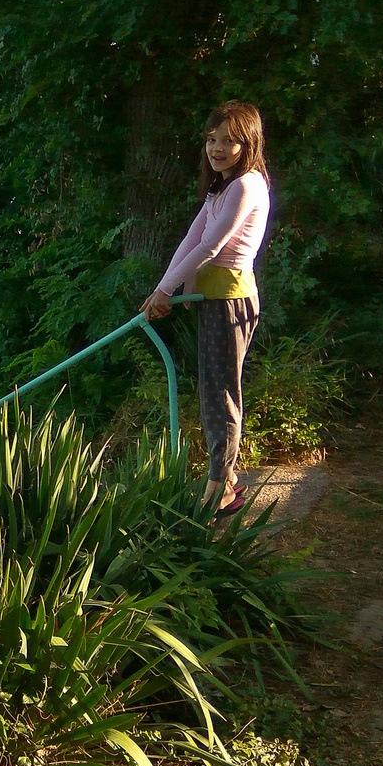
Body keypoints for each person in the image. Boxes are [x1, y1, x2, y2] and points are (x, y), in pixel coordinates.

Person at [140, 101, 271, 515]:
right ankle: (228, 477)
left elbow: (212, 247)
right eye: (212, 139)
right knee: (212, 391)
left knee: (221, 395)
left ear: (247, 144)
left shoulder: (247, 185)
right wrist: (162, 289)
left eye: (229, 141)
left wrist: (166, 290)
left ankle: (220, 487)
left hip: (230, 301)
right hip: (212, 300)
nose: (217, 148)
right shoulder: (223, 186)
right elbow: (191, 238)